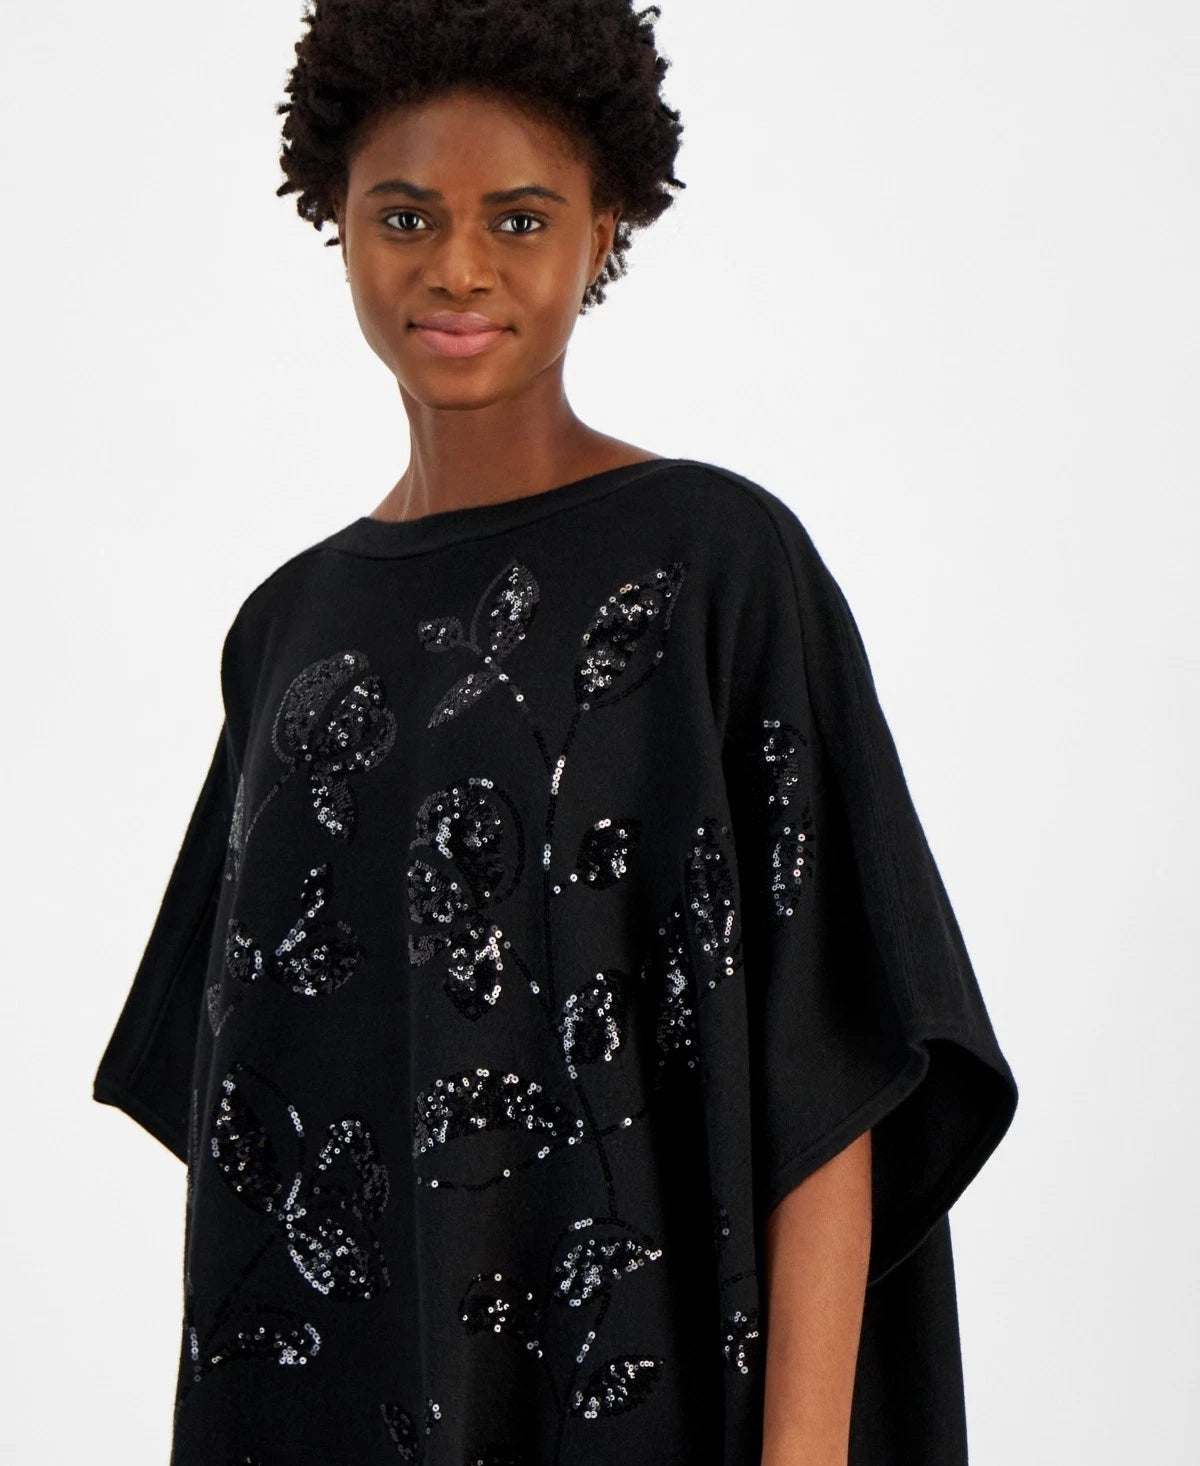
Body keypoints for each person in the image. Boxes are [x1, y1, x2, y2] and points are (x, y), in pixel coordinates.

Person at [92, 2, 1019, 1463]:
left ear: (606, 230)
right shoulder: (287, 631)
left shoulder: (715, 565)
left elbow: (833, 1065)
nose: (457, 267)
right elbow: (258, 1124)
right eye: (406, 214)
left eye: (518, 219)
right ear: (336, 218)